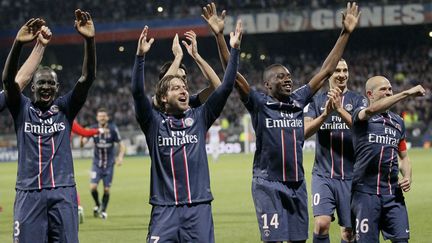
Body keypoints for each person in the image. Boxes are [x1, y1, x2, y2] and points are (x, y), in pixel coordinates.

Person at [202, 2, 360, 242]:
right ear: (267, 84)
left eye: (289, 76)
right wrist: (220, 37)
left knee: (298, 240)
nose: (288, 80)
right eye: (281, 77)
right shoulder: (259, 102)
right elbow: (233, 77)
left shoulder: (299, 100)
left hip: (296, 184)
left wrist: (346, 33)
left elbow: (326, 70)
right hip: (268, 184)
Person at [131, 20, 241, 242]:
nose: (183, 88)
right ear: (163, 96)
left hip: (198, 207)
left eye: (185, 85)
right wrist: (141, 57)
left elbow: (225, 86)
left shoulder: (199, 115)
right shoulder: (153, 121)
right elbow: (138, 92)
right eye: (176, 86)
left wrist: (234, 49)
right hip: (164, 208)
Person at [2, 10, 96, 242]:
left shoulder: (65, 108)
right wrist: (18, 44)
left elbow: (87, 79)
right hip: (29, 193)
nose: (45, 87)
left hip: (63, 192)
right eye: (40, 83)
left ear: (56, 88)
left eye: (50, 83)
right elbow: (8, 81)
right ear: (31, 87)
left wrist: (89, 40)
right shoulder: (21, 108)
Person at [350, 76, 425, 243]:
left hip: (393, 194)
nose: (389, 92)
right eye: (383, 89)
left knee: (402, 240)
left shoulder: (398, 122)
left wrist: (407, 176)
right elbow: (370, 111)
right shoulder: (361, 115)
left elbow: (404, 156)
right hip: (365, 193)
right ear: (370, 94)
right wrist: (406, 93)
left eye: (390, 89)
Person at [304, 59, 367, 243]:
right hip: (323, 175)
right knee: (322, 224)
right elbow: (305, 131)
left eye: (345, 70)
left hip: (351, 176)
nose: (342, 74)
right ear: (329, 74)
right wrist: (325, 115)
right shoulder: (316, 100)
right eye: (337, 70)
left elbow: (362, 130)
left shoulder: (358, 100)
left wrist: (339, 110)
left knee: (349, 232)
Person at [155, 30, 221, 108]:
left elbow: (217, 87)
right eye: (176, 77)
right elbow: (160, 93)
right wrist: (178, 57)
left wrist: (196, 56)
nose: (181, 81)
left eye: (184, 77)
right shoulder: (157, 107)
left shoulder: (191, 102)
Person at [81, 107, 126, 219]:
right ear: (97, 117)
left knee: (106, 189)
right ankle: (97, 204)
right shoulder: (93, 129)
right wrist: (83, 138)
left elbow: (122, 145)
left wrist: (120, 157)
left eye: (104, 116)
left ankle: (104, 211)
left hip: (109, 165)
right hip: (96, 164)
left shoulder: (113, 129)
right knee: (92, 187)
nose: (102, 118)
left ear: (107, 117)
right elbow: (83, 144)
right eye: (100, 116)